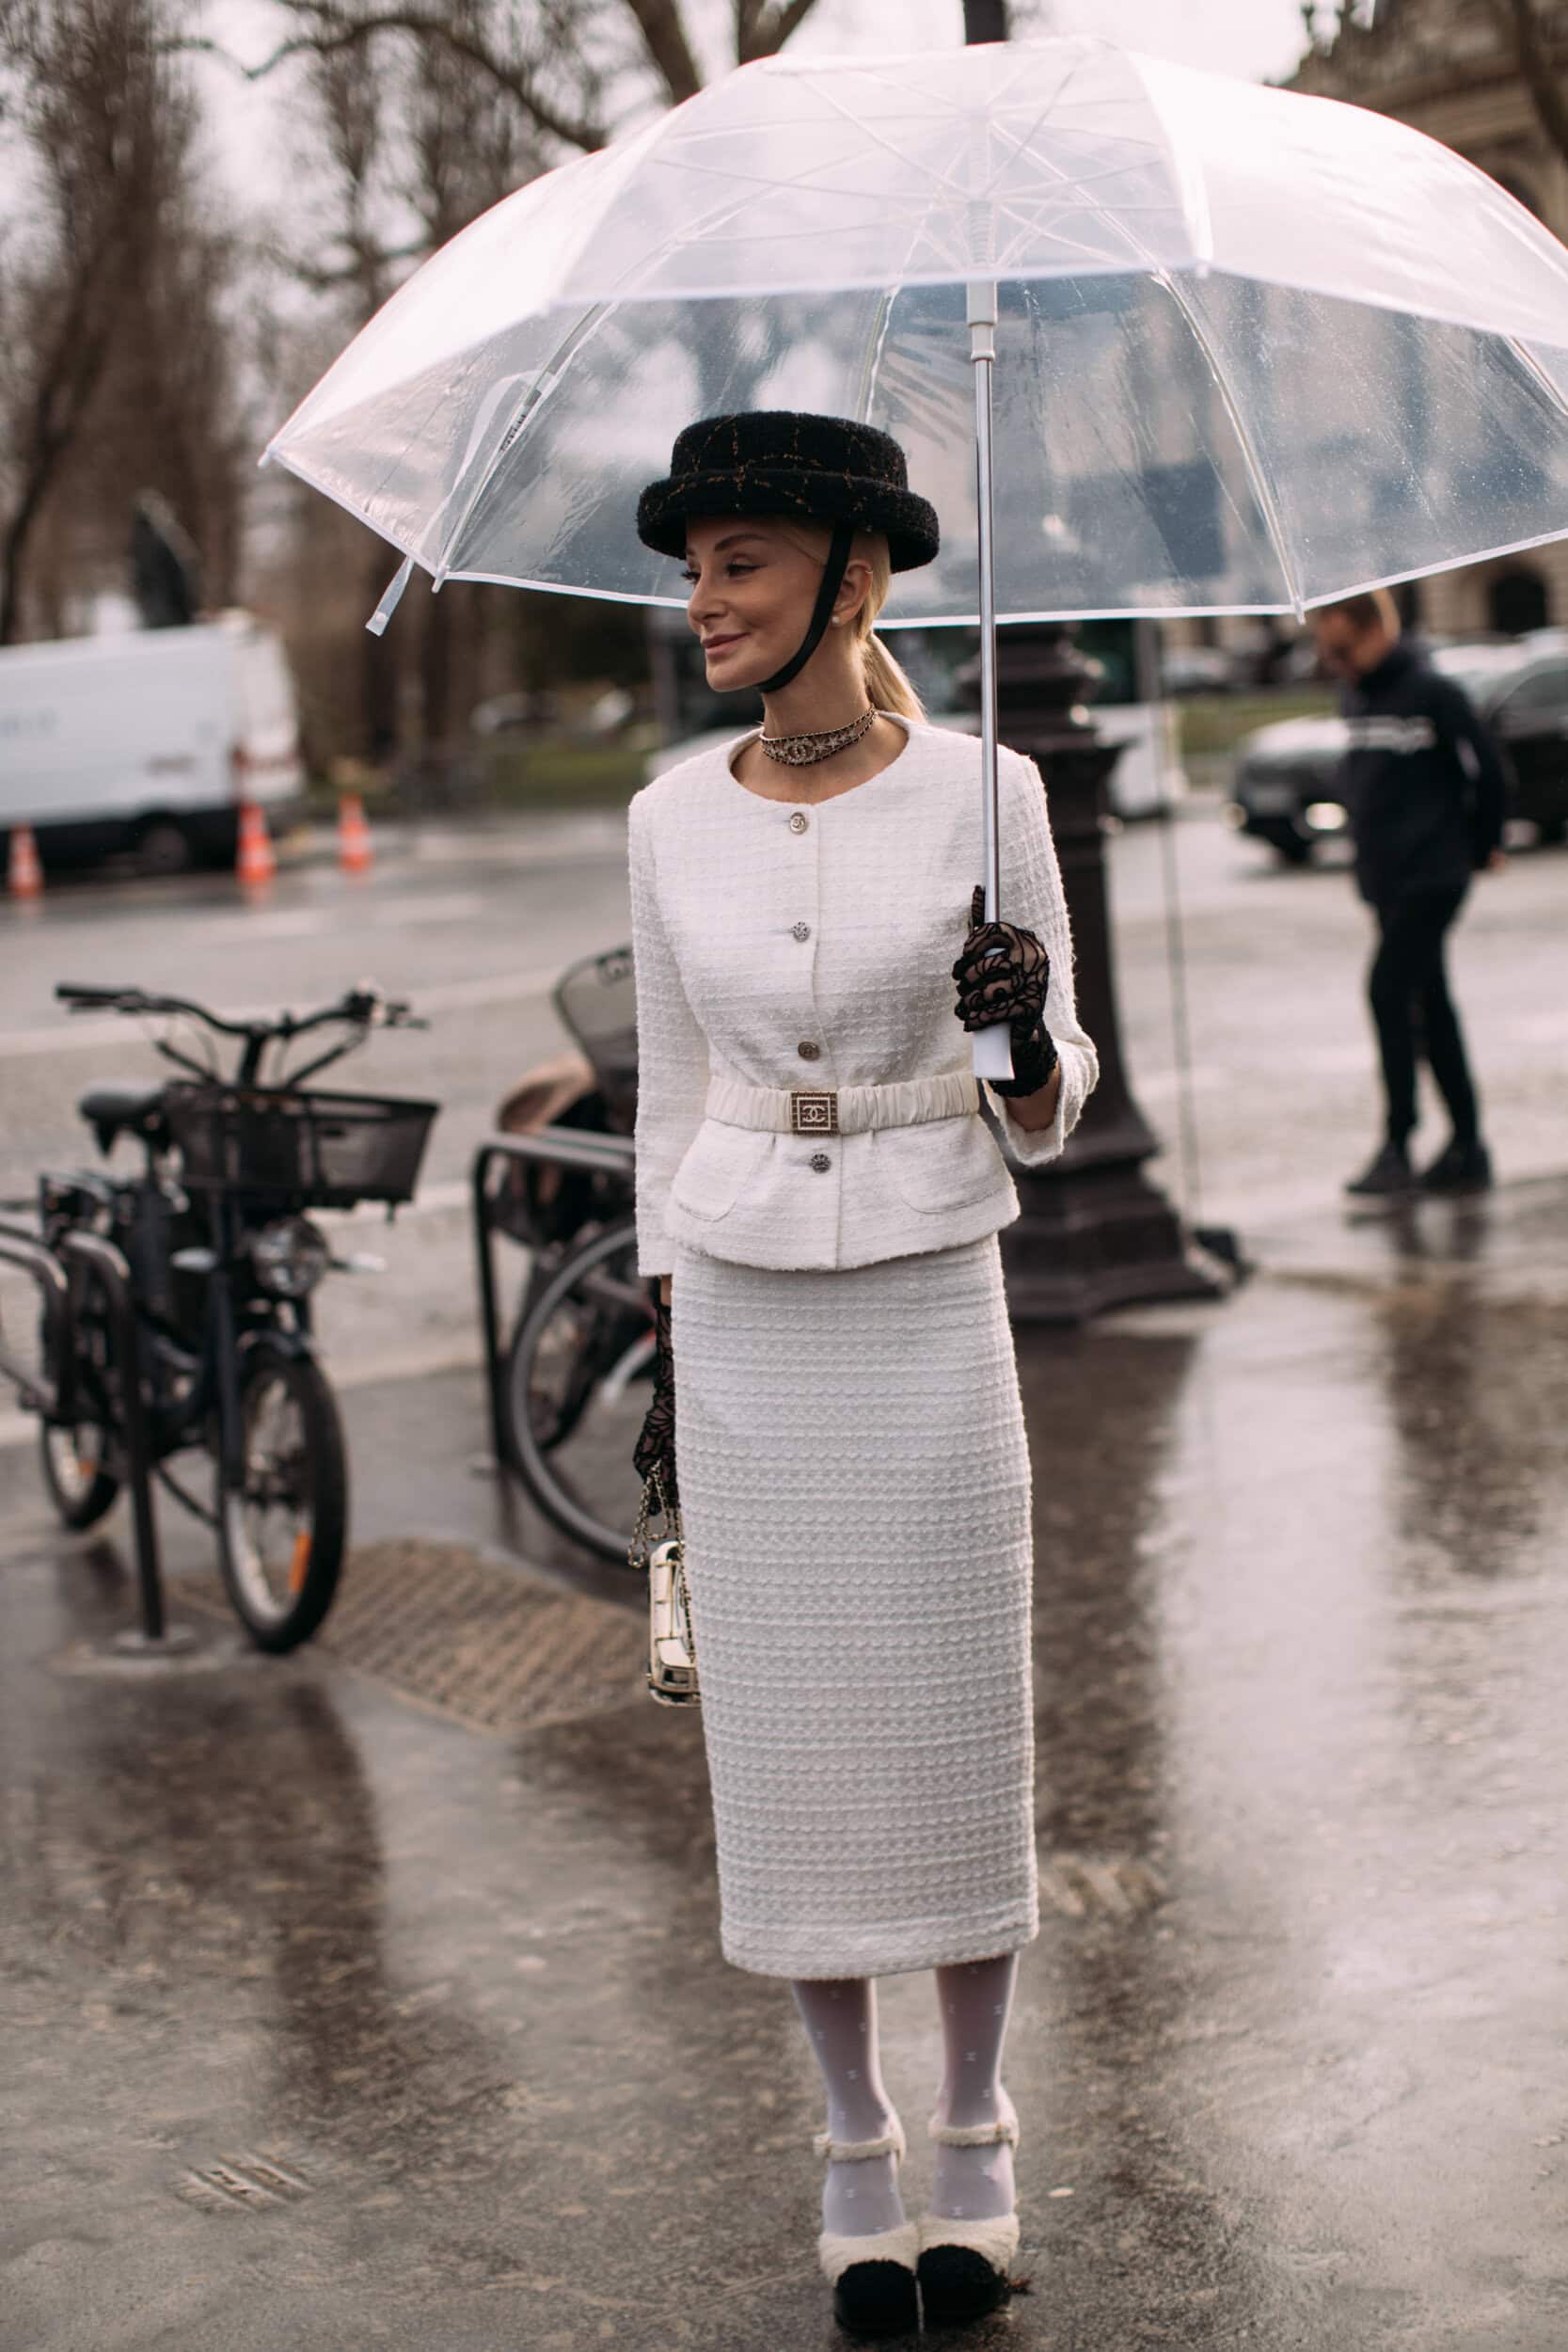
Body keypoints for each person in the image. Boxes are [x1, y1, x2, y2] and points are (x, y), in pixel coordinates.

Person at [626, 411, 1099, 2341]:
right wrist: (660, 1329)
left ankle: (977, 2135)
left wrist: (1012, 1033)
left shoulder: (988, 789)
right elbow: (670, 1084)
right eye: (695, 561)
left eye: (738, 556)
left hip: (923, 1288)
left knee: (948, 1710)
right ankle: (849, 2146)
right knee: (799, 1739)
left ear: (847, 571)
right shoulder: (662, 812)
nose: (703, 596)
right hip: (743, 1309)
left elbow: (1058, 1099)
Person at [1309, 590, 1509, 1198]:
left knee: (1387, 992)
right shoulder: (1355, 695)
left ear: (1375, 630)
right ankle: (1467, 1145)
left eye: (1342, 649)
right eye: (1327, 653)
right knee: (1431, 1006)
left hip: (1433, 876)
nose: (1335, 663)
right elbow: (1366, 788)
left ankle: (1398, 1143)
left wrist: (1480, 845)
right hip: (1386, 881)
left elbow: (1490, 770)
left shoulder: (1432, 692)